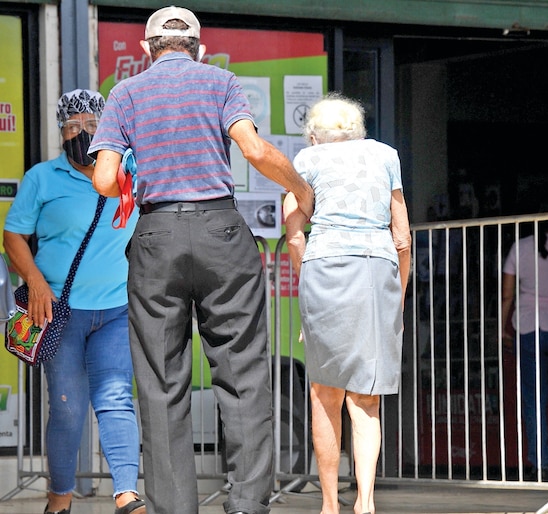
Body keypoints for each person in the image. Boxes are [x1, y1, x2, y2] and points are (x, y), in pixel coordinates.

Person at [88, 7, 314, 514]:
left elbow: (103, 181)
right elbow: (253, 149)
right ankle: (248, 505)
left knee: (160, 380)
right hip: (221, 231)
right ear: (199, 47)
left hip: (156, 237)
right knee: (243, 373)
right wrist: (301, 188)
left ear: (148, 49)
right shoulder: (222, 81)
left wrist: (129, 167)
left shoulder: (126, 93)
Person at [3, 89, 144, 514]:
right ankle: (59, 499)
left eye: (90, 125)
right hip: (57, 312)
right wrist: (35, 281)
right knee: (66, 408)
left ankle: (125, 493)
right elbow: (13, 236)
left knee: (117, 395)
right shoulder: (42, 178)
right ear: (61, 132)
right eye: (72, 126)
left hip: (117, 308)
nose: (81, 133)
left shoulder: (130, 173)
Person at [284, 93, 411, 514]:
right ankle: (366, 503)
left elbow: (295, 231)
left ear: (315, 135)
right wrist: (398, 297)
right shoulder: (386, 155)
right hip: (377, 269)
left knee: (325, 393)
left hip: (325, 268)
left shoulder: (307, 160)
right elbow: (402, 236)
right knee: (366, 397)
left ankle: (328, 505)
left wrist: (308, 293)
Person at [501, 213, 548, 480]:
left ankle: (540, 461)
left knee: (534, 400)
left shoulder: (519, 247)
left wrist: (500, 327)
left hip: (528, 327)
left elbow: (508, 293)